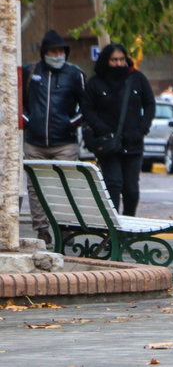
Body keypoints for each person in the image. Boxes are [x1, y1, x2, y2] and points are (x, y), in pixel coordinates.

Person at [22, 30, 86, 246]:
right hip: (34, 143)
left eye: (61, 51)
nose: (57, 55)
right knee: (35, 188)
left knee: (66, 186)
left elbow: (86, 108)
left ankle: (66, 228)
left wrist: (70, 123)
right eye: (53, 51)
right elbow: (18, 101)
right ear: (44, 52)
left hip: (65, 143)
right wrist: (29, 121)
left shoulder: (75, 74)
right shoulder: (30, 72)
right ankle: (42, 230)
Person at [82, 43, 155, 217]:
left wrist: (140, 131)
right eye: (114, 60)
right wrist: (103, 130)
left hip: (133, 143)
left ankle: (128, 226)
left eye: (122, 59)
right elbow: (87, 110)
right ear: (106, 61)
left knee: (131, 189)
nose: (118, 64)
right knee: (113, 185)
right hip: (108, 144)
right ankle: (114, 229)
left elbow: (150, 105)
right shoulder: (95, 83)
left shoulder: (137, 78)